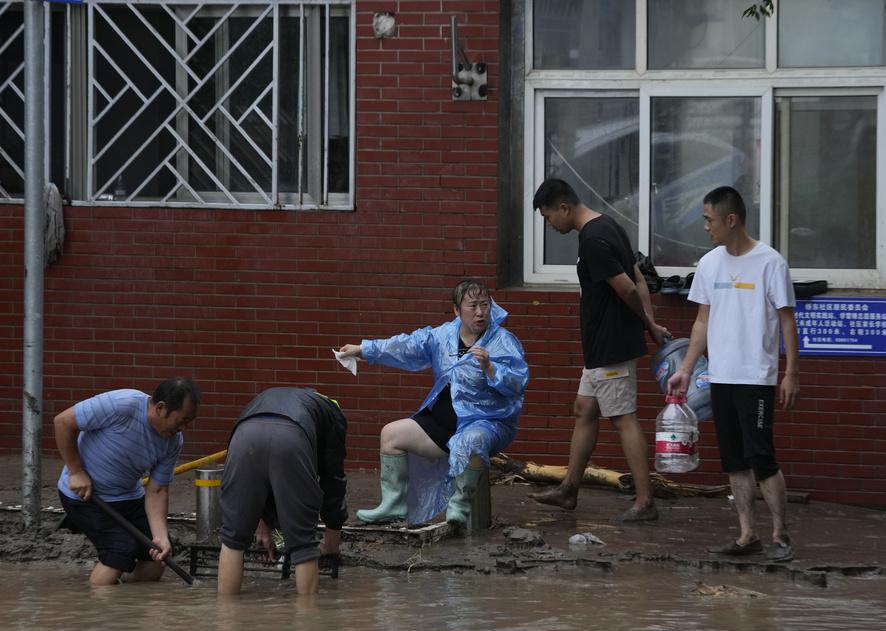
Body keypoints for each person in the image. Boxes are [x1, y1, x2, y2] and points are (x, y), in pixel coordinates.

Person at [667, 186, 799, 562]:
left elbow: (787, 323)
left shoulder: (770, 262)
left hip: (756, 377)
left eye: (709, 220)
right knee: (734, 460)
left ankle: (780, 535)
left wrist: (791, 374)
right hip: (720, 377)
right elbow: (701, 322)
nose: (705, 227)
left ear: (731, 219)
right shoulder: (709, 264)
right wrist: (687, 369)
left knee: (762, 456)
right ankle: (746, 535)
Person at [529, 178, 671, 522]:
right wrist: (648, 322)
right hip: (600, 347)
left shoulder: (593, 239)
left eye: (549, 218)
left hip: (610, 345)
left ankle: (644, 500)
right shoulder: (609, 226)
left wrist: (648, 324)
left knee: (623, 419)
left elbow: (627, 289)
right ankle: (569, 489)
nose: (550, 225)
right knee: (585, 410)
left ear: (564, 208)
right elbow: (638, 277)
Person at [335, 279, 528, 528]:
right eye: (473, 306)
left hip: (488, 422)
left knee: (472, 440)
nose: (480, 312)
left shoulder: (503, 341)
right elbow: (406, 345)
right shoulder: (443, 335)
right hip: (442, 422)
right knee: (391, 434)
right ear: (457, 310)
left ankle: (460, 503)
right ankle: (394, 504)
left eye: (485, 305)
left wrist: (491, 368)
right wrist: (363, 349)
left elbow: (518, 383)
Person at [54, 377, 201, 585]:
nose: (182, 428)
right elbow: (62, 422)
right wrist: (76, 471)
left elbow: (157, 490)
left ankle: (127, 602)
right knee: (120, 550)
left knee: (158, 557)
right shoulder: (122, 405)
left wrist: (161, 537)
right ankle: (96, 604)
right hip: (85, 495)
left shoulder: (173, 441)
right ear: (161, 408)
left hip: (128, 497)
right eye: (181, 421)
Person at [217, 387, 349, 595]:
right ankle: (308, 621)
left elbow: (256, 481)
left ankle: (225, 618)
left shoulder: (269, 397)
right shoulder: (332, 414)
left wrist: (260, 524)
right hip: (292, 437)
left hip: (244, 436)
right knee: (304, 544)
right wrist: (331, 544)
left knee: (233, 540)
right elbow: (333, 482)